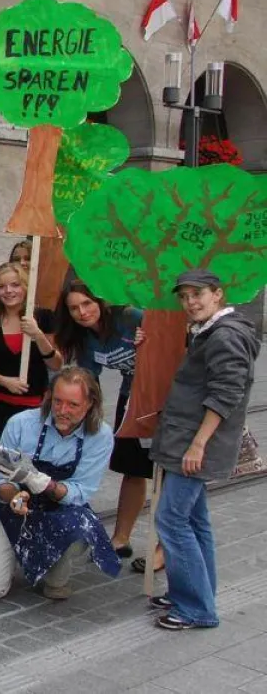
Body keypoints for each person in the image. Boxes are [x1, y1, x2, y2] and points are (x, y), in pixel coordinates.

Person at [150, 269, 260, 631]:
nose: (190, 302)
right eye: (184, 297)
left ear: (218, 295)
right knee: (195, 521)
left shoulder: (225, 336)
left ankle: (196, 608)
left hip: (193, 444)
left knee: (171, 519)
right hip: (186, 438)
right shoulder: (208, 332)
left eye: (198, 294)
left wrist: (198, 444)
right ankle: (196, 592)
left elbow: (226, 394)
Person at [0, 367, 121, 601]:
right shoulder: (20, 423)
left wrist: (46, 485)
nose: (62, 411)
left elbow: (81, 492)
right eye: (57, 402)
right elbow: (0, 481)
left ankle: (54, 573)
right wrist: (14, 496)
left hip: (59, 511)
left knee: (80, 530)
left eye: (73, 405)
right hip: (13, 510)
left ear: (90, 404)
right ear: (48, 397)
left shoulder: (101, 436)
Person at [53, 281, 153, 570]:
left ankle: (165, 549)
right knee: (133, 469)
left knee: (167, 475)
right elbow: (88, 382)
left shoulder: (130, 317)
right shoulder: (85, 338)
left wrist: (151, 339)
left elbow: (172, 340)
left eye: (87, 303)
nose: (82, 312)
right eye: (74, 308)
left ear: (101, 301)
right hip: (131, 397)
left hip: (162, 397)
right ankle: (120, 538)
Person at [0, 262, 62, 523]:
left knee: (31, 465)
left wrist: (37, 335)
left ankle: (31, 517)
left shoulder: (43, 317)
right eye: (1, 287)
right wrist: (4, 381)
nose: (8, 291)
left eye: (14, 285)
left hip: (33, 406)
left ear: (25, 286)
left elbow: (56, 363)